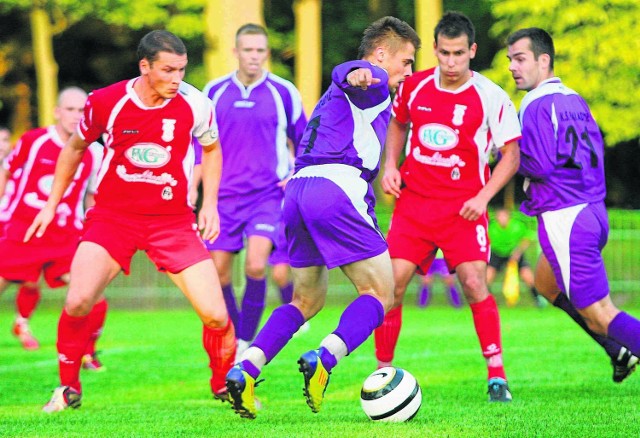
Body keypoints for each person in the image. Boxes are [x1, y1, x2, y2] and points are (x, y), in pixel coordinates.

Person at [26, 30, 236, 412]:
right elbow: (74, 148)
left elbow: (212, 149)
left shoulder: (197, 104)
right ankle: (68, 389)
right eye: (168, 70)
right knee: (77, 301)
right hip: (112, 218)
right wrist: (50, 202)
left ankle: (224, 384)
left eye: (182, 70)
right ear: (145, 66)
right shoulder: (105, 101)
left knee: (217, 316)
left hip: (172, 221)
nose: (177, 79)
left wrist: (211, 205)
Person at [225, 16, 421, 419]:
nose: (410, 71)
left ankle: (246, 367)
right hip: (337, 188)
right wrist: (363, 73)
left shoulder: (341, 96)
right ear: (382, 55)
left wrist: (358, 75)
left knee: (305, 300)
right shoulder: (371, 81)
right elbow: (350, 73)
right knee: (380, 294)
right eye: (407, 61)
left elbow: (345, 80)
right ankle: (325, 358)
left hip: (298, 191)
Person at [374, 11, 520, 402]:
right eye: (443, 53)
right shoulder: (414, 86)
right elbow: (397, 123)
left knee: (475, 284)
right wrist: (391, 165)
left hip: (463, 210)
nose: (450, 63)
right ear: (434, 51)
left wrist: (484, 197)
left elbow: (511, 155)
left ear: (472, 50)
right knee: (391, 287)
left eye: (458, 53)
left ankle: (497, 376)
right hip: (414, 207)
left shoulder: (490, 96)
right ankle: (382, 373)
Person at [506, 27, 640, 382]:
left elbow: (539, 164)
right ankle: (618, 351)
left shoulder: (533, 103)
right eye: (510, 60)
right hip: (593, 211)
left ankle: (624, 343)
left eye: (520, 59)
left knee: (600, 313)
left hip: (565, 217)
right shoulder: (575, 99)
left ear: (543, 60)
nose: (512, 67)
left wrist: (500, 153)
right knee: (545, 283)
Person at [202, 23, 308, 358]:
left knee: (257, 266)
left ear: (267, 54)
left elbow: (303, 138)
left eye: (260, 50)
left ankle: (246, 341)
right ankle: (233, 334)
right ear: (235, 52)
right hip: (222, 198)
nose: (254, 57)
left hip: (266, 196)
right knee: (218, 272)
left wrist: (297, 173)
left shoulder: (284, 91)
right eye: (248, 50)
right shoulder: (214, 91)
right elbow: (198, 144)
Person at [0, 89, 106, 364]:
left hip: (65, 235)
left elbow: (93, 195)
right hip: (23, 229)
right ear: (57, 112)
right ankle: (23, 323)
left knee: (93, 293)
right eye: (70, 110)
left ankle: (86, 350)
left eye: (82, 110)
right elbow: (6, 171)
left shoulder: (94, 152)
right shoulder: (34, 141)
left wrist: (93, 228)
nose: (76, 116)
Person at [486, 207, 545, 307]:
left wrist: (517, 252)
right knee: (487, 277)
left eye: (503, 216)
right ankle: (488, 301)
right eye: (499, 217)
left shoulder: (517, 226)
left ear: (508, 217)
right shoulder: (492, 228)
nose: (501, 219)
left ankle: (538, 299)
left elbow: (527, 238)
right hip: (497, 254)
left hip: (515, 253)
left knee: (527, 276)